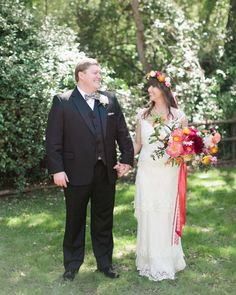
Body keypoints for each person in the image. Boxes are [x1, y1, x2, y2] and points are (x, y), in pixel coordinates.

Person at [46, 57, 134, 281]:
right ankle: (72, 265)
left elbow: (122, 133)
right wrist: (57, 169)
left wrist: (126, 160)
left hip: (105, 171)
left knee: (104, 219)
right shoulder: (63, 101)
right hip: (74, 172)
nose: (99, 76)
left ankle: (105, 263)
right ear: (81, 75)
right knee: (75, 219)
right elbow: (53, 140)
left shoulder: (109, 100)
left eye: (99, 73)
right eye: (95, 73)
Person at [133, 70, 188, 281]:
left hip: (170, 173)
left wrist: (186, 152)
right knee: (149, 212)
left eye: (152, 86)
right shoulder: (142, 115)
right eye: (148, 86)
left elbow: (185, 145)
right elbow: (138, 144)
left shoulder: (179, 116)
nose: (149, 90)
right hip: (147, 171)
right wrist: (125, 160)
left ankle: (167, 259)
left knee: (166, 213)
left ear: (163, 88)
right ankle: (149, 259)